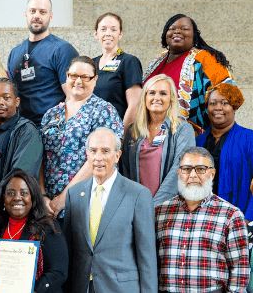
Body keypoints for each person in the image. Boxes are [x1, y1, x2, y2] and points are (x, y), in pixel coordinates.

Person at [62, 128, 156, 293]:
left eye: (105, 151)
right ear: (87, 154)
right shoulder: (74, 194)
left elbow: (146, 256)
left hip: (121, 288)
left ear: (117, 155)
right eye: (93, 151)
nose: (98, 158)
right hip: (81, 287)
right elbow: (69, 250)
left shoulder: (138, 194)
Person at [155, 147, 249, 292]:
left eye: (200, 169)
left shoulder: (231, 215)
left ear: (212, 173)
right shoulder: (160, 212)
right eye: (186, 169)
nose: (192, 175)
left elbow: (239, 270)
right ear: (179, 173)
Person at [41, 56, 123, 218]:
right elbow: (41, 157)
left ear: (95, 79)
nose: (78, 81)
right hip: (48, 208)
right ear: (67, 76)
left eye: (85, 77)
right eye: (74, 76)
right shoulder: (51, 114)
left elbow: (100, 158)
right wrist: (42, 197)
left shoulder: (104, 111)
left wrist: (63, 199)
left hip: (86, 203)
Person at [0, 170, 67, 293]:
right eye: (10, 193)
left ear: (33, 197)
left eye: (24, 193)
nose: (17, 198)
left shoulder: (47, 227)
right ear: (3, 198)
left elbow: (58, 272)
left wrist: (34, 291)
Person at [143, 14, 235, 133]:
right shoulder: (159, 59)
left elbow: (230, 94)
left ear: (194, 35)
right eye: (172, 28)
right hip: (150, 134)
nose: (177, 32)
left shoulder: (205, 58)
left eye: (184, 29)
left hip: (190, 136)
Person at [195, 83, 253, 221]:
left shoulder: (251, 139)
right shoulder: (198, 142)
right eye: (213, 103)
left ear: (234, 107)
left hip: (239, 218)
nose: (218, 108)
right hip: (202, 218)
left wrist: (247, 221)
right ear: (207, 108)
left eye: (224, 103)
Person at [119, 74, 194, 205]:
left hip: (170, 207)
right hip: (137, 206)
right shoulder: (133, 130)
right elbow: (125, 171)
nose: (157, 98)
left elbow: (181, 168)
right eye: (152, 93)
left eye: (163, 93)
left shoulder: (182, 129)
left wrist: (156, 206)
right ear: (145, 97)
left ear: (171, 99)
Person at [0, 79, 43, 219]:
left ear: (17, 102)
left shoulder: (27, 131)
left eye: (6, 98)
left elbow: (19, 174)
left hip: (15, 213)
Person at [7, 0, 79, 126]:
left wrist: (62, 129)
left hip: (52, 128)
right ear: (26, 14)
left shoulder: (63, 50)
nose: (37, 16)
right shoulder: (15, 53)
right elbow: (11, 95)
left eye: (43, 12)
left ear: (50, 16)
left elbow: (73, 96)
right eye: (32, 11)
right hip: (22, 129)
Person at [91, 13, 143, 126]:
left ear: (120, 34)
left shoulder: (129, 61)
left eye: (113, 29)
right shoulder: (91, 64)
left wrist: (122, 136)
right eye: (103, 29)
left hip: (115, 134)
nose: (108, 33)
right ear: (96, 34)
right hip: (90, 134)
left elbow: (135, 104)